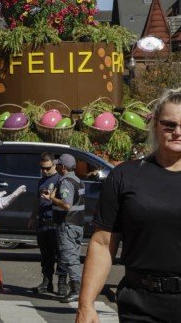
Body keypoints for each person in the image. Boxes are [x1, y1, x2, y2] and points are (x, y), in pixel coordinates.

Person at [77, 88, 181, 323]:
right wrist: (86, 305)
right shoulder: (125, 176)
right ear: (155, 124)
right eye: (169, 125)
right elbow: (103, 243)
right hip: (141, 306)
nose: (177, 132)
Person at [46, 153, 85, 303]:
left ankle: (76, 290)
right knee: (73, 256)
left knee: (70, 258)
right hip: (77, 225)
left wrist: (52, 198)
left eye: (58, 164)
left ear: (63, 167)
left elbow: (66, 204)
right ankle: (75, 288)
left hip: (67, 225)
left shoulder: (66, 182)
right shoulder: (78, 180)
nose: (56, 167)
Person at [28, 153, 62, 295]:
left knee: (59, 254)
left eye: (48, 168)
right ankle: (46, 283)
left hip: (54, 223)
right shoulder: (42, 180)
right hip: (42, 222)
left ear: (54, 165)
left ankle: (62, 284)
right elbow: (37, 200)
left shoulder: (60, 180)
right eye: (42, 168)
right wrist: (32, 217)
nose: (45, 171)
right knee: (45, 255)